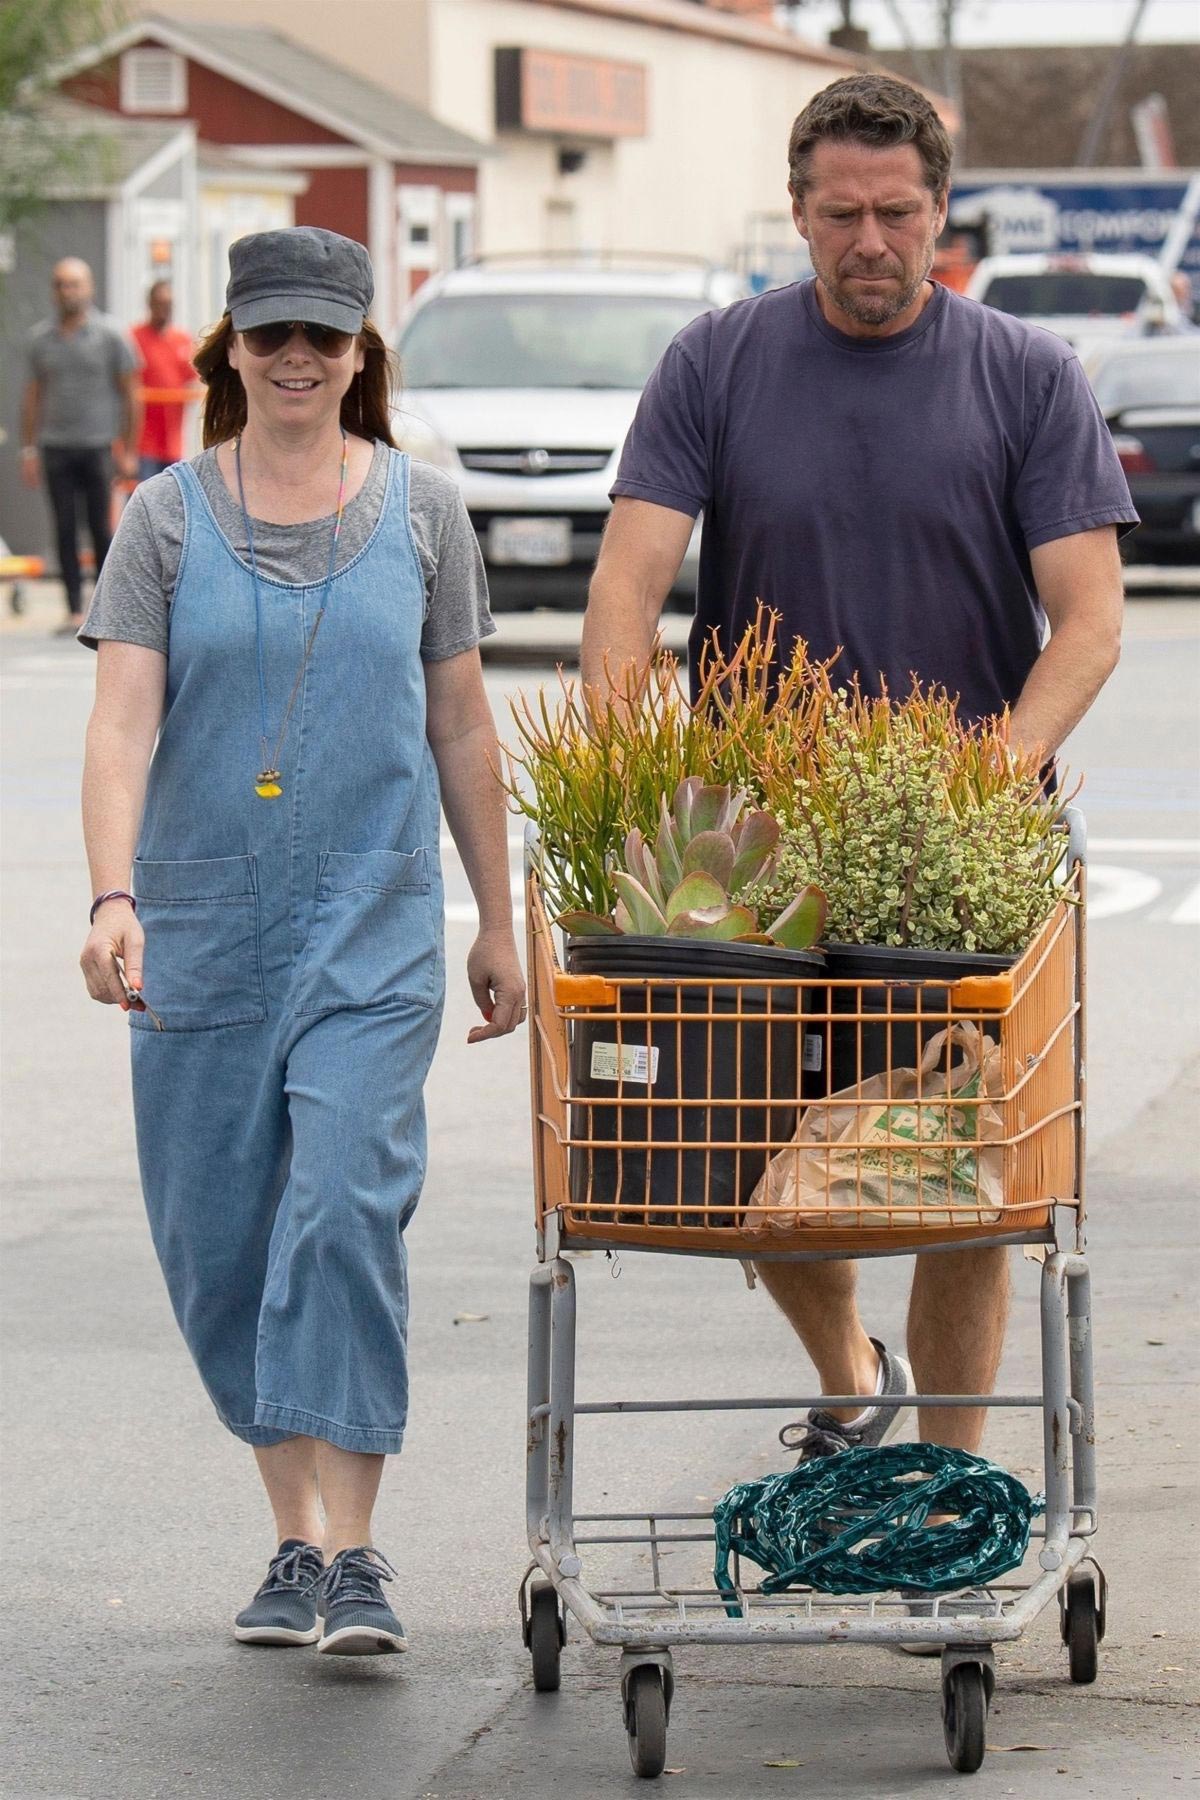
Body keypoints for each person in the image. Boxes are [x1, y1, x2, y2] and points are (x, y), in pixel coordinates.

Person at [582, 76, 1135, 1508]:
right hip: (758, 852)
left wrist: (986, 775)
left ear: (942, 211)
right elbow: (628, 591)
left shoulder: (1026, 374)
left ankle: (953, 1487)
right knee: (750, 1164)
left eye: (900, 212)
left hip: (968, 854)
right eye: (843, 214)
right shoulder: (714, 361)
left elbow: (1088, 619)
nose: (872, 240)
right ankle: (849, 1376)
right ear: (798, 212)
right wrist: (620, 774)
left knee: (970, 1190)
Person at [77, 227, 525, 1656]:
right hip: (200, 922)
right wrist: (111, 896)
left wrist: (499, 920)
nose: (295, 357)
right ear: (231, 346)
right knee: (223, 1243)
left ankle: (361, 1552)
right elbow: (123, 721)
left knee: (341, 1203)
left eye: (322, 336)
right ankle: (291, 1540)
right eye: (270, 332)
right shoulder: (161, 519)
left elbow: (461, 723)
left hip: (370, 923)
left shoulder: (423, 516)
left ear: (358, 354)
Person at [21, 258, 141, 633]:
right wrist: (28, 449)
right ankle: (73, 609)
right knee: (64, 528)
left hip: (98, 446)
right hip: (55, 446)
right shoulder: (40, 339)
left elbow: (131, 394)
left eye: (74, 284)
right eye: (61, 284)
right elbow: (32, 396)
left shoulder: (111, 335)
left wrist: (130, 449)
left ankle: (105, 610)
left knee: (101, 528)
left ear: (89, 288)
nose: (68, 291)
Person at [131, 280, 196, 477]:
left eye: (168, 304)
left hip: (173, 442)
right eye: (160, 303)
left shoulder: (182, 340)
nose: (164, 309)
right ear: (149, 304)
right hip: (143, 443)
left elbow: (193, 379)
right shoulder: (134, 338)